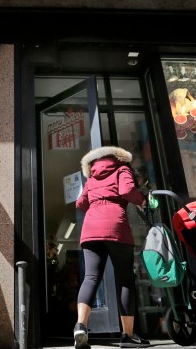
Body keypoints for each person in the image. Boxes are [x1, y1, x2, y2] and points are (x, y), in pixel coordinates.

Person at [73, 146, 150, 349]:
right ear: (118, 157)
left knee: (91, 277)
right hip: (115, 224)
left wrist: (97, 202)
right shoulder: (122, 169)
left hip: (90, 228)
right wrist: (142, 201)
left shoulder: (92, 176)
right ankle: (128, 335)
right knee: (125, 278)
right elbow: (127, 191)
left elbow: (80, 203)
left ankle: (81, 325)